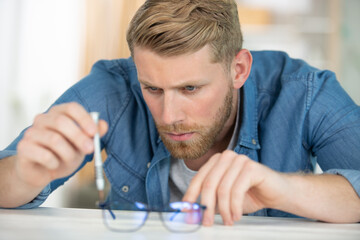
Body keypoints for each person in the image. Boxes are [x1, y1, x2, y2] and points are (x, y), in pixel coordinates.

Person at [0, 0, 360, 226]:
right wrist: (24, 173)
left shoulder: (305, 92)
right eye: (153, 89)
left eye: (190, 89)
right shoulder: (112, 87)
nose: (169, 115)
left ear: (238, 70)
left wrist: (281, 188)